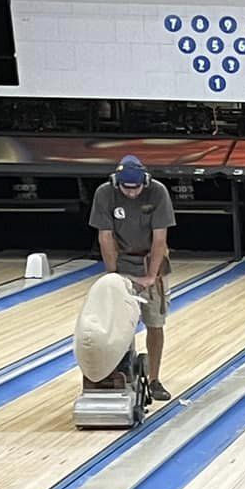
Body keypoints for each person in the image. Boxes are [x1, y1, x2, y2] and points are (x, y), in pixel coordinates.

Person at [88, 155, 176, 400]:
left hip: (151, 260)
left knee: (155, 323)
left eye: (136, 188)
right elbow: (105, 237)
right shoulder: (104, 194)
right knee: (118, 325)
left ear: (144, 182)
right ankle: (119, 373)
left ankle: (154, 379)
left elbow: (160, 239)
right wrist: (113, 276)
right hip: (122, 261)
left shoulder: (158, 192)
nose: (132, 193)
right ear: (117, 183)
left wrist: (151, 276)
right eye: (127, 188)